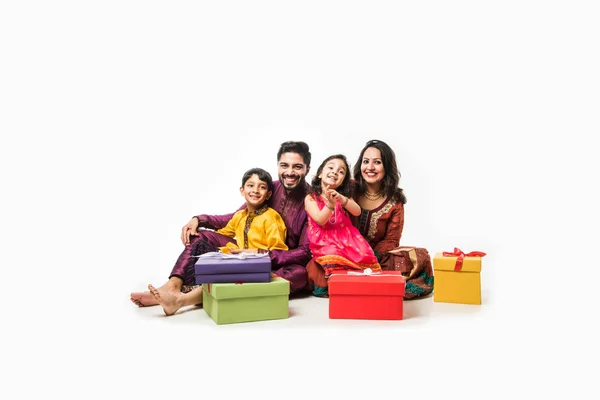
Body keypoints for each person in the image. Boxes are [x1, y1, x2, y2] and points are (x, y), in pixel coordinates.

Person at [130, 141, 312, 313]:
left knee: (299, 274)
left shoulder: (312, 201)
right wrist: (199, 219)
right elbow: (234, 218)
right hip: (242, 251)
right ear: (278, 165)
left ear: (307, 169)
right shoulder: (268, 187)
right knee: (199, 236)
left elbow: (304, 252)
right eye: (284, 165)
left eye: (297, 167)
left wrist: (260, 253)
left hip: (277, 262)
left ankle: (184, 299)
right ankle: (171, 288)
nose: (290, 172)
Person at [144, 167, 288, 315]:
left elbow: (278, 251)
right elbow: (219, 236)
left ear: (268, 194)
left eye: (262, 187)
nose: (255, 190)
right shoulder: (240, 216)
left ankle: (178, 300)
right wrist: (198, 239)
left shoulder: (271, 217)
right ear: (242, 190)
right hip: (239, 259)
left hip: (257, 265)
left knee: (222, 271)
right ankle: (173, 286)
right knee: (200, 241)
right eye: (250, 185)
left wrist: (248, 252)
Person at [306, 140, 434, 299]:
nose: (370, 167)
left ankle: (366, 276)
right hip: (344, 251)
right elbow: (322, 196)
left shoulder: (395, 202)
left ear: (386, 167)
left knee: (419, 256)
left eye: (377, 162)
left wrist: (373, 255)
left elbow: (392, 239)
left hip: (377, 255)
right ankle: (362, 278)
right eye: (366, 162)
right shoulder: (349, 189)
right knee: (317, 267)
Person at [304, 154, 381, 296]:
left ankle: (360, 282)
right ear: (320, 173)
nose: (335, 172)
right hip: (325, 239)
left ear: (342, 181)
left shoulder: (342, 196)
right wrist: (330, 206)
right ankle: (339, 283)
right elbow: (320, 220)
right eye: (331, 167)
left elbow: (357, 212)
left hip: (347, 237)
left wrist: (343, 199)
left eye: (341, 171)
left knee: (364, 253)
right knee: (332, 253)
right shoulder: (311, 197)